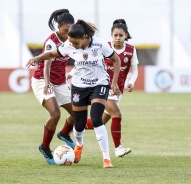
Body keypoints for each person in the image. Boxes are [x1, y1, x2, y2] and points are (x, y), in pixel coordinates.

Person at [27, 19, 121, 168]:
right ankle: (78, 145)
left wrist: (114, 82)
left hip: (99, 84)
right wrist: (37, 58)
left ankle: (106, 158)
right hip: (79, 86)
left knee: (97, 119)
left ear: (84, 37)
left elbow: (116, 60)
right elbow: (51, 54)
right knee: (79, 123)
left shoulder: (100, 43)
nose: (73, 46)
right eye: (71, 43)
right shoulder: (69, 44)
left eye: (75, 43)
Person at [83, 19, 139, 157]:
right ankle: (118, 148)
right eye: (115, 35)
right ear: (111, 35)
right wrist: (72, 73)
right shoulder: (104, 47)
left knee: (99, 121)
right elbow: (89, 61)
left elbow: (135, 70)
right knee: (117, 114)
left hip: (118, 91)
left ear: (126, 35)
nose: (118, 38)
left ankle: (73, 126)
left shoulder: (131, 50)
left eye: (121, 35)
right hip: (102, 86)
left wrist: (131, 82)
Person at [30, 9, 75, 165]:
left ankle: (64, 134)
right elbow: (47, 64)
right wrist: (47, 84)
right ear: (58, 26)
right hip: (43, 80)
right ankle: (45, 147)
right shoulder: (51, 41)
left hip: (60, 82)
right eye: (65, 30)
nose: (67, 33)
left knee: (78, 112)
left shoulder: (72, 39)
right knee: (55, 114)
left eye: (70, 30)